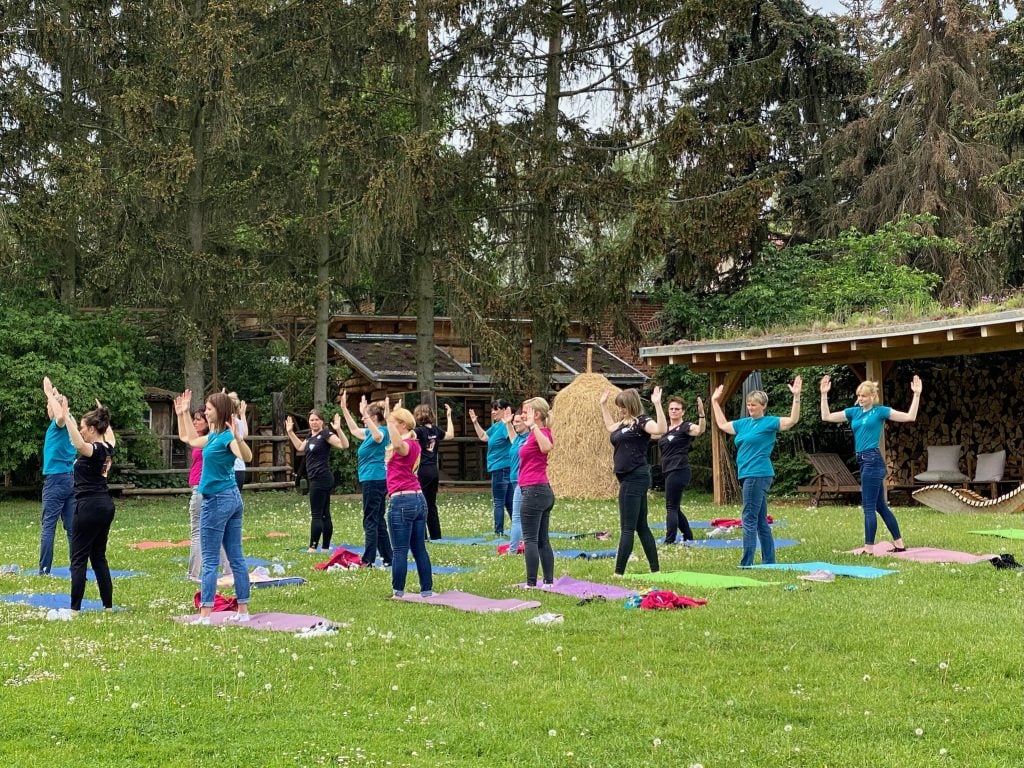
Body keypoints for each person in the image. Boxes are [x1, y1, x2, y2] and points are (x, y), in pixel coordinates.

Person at [175, 390, 253, 624]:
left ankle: (206, 615)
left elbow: (247, 457)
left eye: (209, 409)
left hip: (218, 500)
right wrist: (183, 413)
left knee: (210, 560)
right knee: (236, 557)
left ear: (219, 411)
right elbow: (189, 439)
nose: (205, 412)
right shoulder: (214, 436)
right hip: (231, 497)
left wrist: (239, 438)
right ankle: (243, 611)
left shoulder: (227, 437)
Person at [820, 374, 922, 552]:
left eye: (864, 396)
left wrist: (917, 394)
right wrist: (824, 394)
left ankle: (868, 549)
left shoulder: (880, 411)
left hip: (872, 461)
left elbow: (910, 417)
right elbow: (826, 416)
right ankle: (899, 544)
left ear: (872, 396)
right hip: (863, 461)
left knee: (868, 507)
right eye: (859, 395)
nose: (860, 399)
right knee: (880, 506)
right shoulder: (854, 412)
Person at [710, 378, 802, 567]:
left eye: (754, 405)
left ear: (763, 406)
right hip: (747, 474)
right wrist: (715, 402)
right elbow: (723, 425)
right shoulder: (744, 424)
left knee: (748, 519)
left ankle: (747, 563)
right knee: (760, 521)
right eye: (749, 404)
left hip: (758, 473)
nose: (750, 408)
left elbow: (792, 420)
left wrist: (796, 396)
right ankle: (769, 560)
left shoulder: (769, 423)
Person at [600, 386, 666, 577]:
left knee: (627, 528)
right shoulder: (624, 423)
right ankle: (655, 570)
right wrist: (603, 406)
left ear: (631, 405)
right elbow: (609, 427)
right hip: (629, 477)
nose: (620, 410)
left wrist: (657, 404)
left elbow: (661, 429)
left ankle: (618, 572)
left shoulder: (642, 422)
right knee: (641, 526)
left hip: (635, 476)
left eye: (623, 406)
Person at [61, 395, 116, 614]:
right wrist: (103, 414)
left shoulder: (95, 450)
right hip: (105, 506)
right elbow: (108, 432)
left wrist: (66, 417)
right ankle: (108, 606)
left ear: (92, 429)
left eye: (83, 427)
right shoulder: (108, 446)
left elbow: (78, 443)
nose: (81, 431)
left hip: (89, 507)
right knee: (98, 556)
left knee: (78, 558)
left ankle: (74, 609)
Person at [383, 398, 432, 598]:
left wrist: (388, 418)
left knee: (400, 550)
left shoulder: (407, 445)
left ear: (402, 425)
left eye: (394, 423)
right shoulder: (414, 443)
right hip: (417, 499)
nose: (390, 427)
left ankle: (398, 592)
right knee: (419, 548)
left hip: (403, 502)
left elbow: (397, 445)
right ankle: (426, 590)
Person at [340, 391, 393, 568]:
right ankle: (388, 556)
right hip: (372, 479)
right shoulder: (370, 433)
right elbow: (354, 430)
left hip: (374, 479)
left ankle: (368, 559)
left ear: (374, 417)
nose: (363, 419)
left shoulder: (382, 431)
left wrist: (365, 413)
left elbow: (378, 437)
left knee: (370, 520)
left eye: (366, 417)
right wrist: (344, 409)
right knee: (378, 519)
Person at [286, 409, 350, 551]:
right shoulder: (310, 436)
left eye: (316, 419)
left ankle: (312, 547)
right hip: (317, 478)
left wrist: (338, 429)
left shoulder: (326, 434)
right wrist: (290, 432)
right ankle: (325, 547)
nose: (314, 422)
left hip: (321, 478)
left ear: (322, 421)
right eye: (311, 420)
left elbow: (344, 445)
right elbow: (300, 447)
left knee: (317, 514)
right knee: (325, 513)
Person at [183, 408, 231, 582]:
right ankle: (228, 569)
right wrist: (182, 414)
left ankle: (193, 574)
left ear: (208, 421)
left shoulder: (212, 439)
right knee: (216, 532)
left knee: (198, 532)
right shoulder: (209, 438)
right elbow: (185, 436)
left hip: (203, 489)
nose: (195, 422)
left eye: (198, 419)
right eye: (194, 419)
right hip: (209, 489)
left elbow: (190, 438)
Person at [39, 378, 76, 575]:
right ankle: (77, 568)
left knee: (48, 526)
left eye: (49, 406)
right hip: (70, 479)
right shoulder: (72, 422)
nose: (48, 409)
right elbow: (64, 413)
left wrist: (49, 394)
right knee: (72, 528)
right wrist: (56, 396)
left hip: (56, 480)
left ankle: (44, 570)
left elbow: (60, 415)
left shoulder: (59, 424)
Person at [658, 395, 707, 544]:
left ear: (683, 411)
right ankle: (688, 535)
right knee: (675, 507)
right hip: (668, 470)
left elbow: (700, 430)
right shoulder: (664, 429)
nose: (674, 411)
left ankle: (669, 540)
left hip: (679, 469)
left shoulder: (686, 426)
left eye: (677, 409)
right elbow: (649, 433)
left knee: (671, 507)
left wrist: (701, 415)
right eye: (671, 408)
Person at [518, 397, 555, 587]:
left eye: (526, 412)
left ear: (537, 414)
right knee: (541, 540)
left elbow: (547, 447)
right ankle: (548, 581)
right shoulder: (532, 434)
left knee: (531, 540)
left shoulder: (542, 432)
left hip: (534, 491)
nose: (522, 415)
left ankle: (531, 583)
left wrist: (533, 426)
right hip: (539, 491)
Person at [470, 399, 514, 536]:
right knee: (508, 502)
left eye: (496, 409)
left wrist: (509, 423)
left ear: (505, 410)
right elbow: (484, 437)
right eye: (492, 409)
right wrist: (475, 422)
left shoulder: (506, 426)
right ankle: (519, 529)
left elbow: (514, 439)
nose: (493, 412)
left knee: (499, 502)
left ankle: (498, 532)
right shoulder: (496, 426)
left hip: (502, 468)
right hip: (500, 468)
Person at [413, 402, 454, 541]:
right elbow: (450, 435)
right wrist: (449, 417)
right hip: (433, 470)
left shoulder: (418, 431)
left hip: (422, 470)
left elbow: (405, 437)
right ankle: (436, 535)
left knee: (420, 503)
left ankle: (422, 536)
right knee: (431, 504)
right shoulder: (436, 430)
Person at [504, 408, 530, 555]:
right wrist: (508, 423)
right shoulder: (519, 438)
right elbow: (513, 439)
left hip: (523, 481)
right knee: (522, 516)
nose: (515, 424)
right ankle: (526, 545)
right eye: (515, 422)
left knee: (517, 518)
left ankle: (513, 550)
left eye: (518, 421)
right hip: (515, 480)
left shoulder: (529, 438)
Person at [227, 392, 248, 492]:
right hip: (239, 467)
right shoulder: (238, 422)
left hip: (229, 467)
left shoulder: (225, 423)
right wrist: (242, 414)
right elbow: (245, 434)